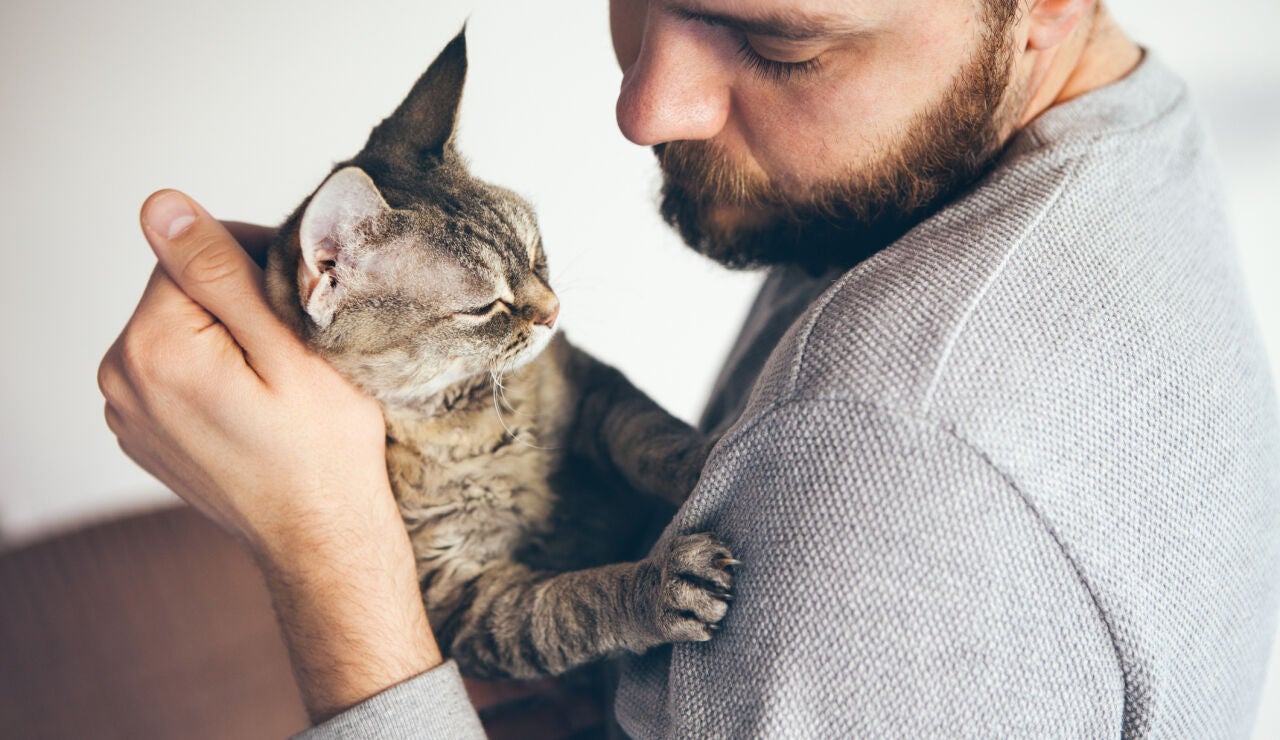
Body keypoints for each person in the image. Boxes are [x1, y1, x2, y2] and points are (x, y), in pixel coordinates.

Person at [98, 0, 1280, 736]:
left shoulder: (898, 466)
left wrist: (323, 553)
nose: (644, 107)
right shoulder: (1105, 149)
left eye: (780, 40)